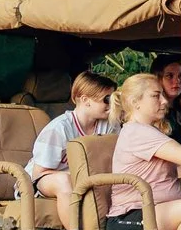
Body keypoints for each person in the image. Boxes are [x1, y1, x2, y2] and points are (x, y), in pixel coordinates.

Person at [107, 72, 181, 230]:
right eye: (156, 96)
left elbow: (164, 174)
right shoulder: (137, 132)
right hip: (134, 214)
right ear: (135, 102)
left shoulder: (151, 131)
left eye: (163, 96)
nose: (164, 101)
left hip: (164, 207)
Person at [26, 71, 118, 205]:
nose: (111, 105)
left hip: (85, 180)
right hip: (42, 181)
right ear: (86, 100)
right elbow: (38, 173)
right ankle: (75, 227)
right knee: (65, 182)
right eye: (107, 99)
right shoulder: (59, 128)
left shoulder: (110, 126)